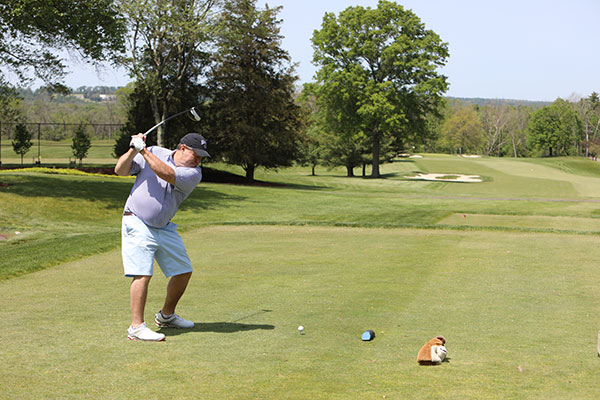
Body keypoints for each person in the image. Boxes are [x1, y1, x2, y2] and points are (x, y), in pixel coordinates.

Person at [114, 132, 210, 341]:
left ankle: (166, 316)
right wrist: (133, 149)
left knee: (183, 271)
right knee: (142, 273)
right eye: (197, 154)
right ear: (182, 148)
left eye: (202, 157)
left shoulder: (194, 173)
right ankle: (136, 327)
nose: (198, 160)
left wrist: (143, 149)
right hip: (136, 220)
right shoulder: (156, 152)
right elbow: (120, 170)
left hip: (163, 227)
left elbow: (166, 173)